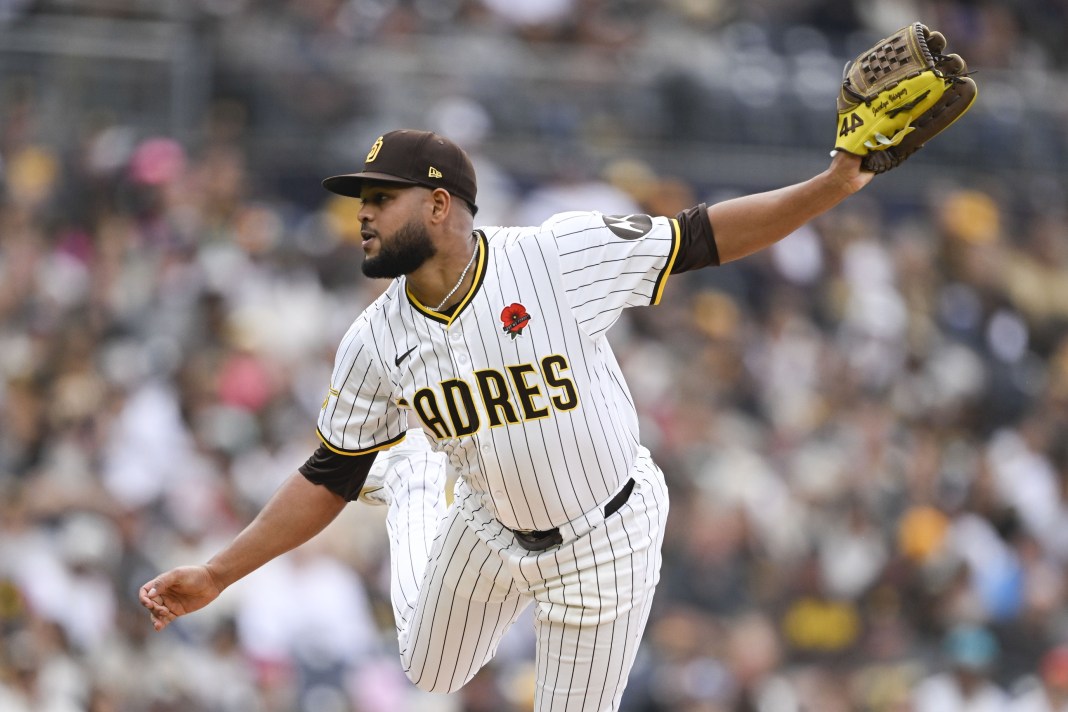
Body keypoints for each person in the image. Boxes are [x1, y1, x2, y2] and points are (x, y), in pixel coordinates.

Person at [140, 128, 872, 711]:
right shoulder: (374, 339)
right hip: (489, 524)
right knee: (430, 672)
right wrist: (217, 571)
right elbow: (327, 477)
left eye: (380, 197)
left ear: (436, 205)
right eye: (362, 198)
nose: (362, 211)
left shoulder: (553, 257)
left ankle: (418, 468)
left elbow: (703, 236)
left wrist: (833, 183)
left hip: (605, 536)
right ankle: (417, 480)